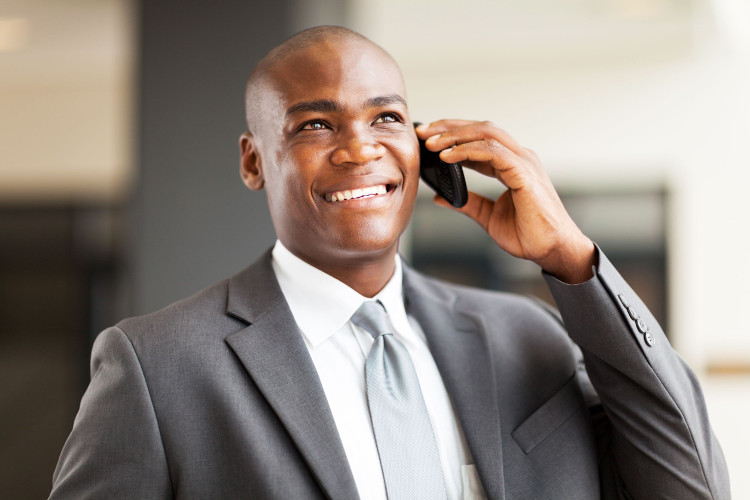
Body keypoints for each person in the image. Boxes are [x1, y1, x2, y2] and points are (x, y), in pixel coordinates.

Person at [50, 26, 730, 499]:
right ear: (254, 161)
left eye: (386, 119)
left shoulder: (527, 336)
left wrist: (572, 260)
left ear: (423, 146)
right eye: (316, 124)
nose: (358, 149)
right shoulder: (158, 367)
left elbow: (692, 485)